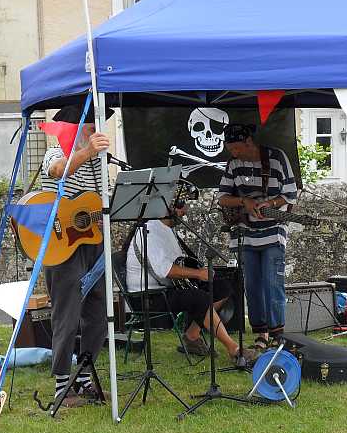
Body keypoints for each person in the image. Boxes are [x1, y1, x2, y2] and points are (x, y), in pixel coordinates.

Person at [125, 192, 258, 365]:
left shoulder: (166, 230)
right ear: (167, 207)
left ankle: (192, 336)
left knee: (222, 288)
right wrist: (197, 274)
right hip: (148, 296)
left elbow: (178, 263)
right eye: (181, 206)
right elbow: (165, 270)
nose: (184, 211)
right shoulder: (149, 230)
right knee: (200, 298)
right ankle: (234, 350)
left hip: (166, 289)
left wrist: (198, 271)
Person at [41, 105, 110, 407]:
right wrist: (86, 152)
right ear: (73, 129)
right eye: (89, 127)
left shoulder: (98, 163)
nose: (95, 131)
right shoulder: (55, 152)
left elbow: (98, 204)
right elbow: (58, 172)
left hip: (90, 242)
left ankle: (84, 375)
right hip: (61, 244)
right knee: (66, 313)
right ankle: (61, 385)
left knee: (98, 309)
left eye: (97, 127)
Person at [217, 123, 298, 352]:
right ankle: (261, 333)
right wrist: (245, 202)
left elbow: (290, 194)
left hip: (274, 230)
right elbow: (222, 198)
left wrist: (270, 204)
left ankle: (277, 335)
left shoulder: (276, 158)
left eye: (236, 149)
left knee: (273, 283)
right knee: (252, 286)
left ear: (249, 142)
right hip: (244, 231)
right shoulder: (233, 163)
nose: (233, 154)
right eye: (230, 149)